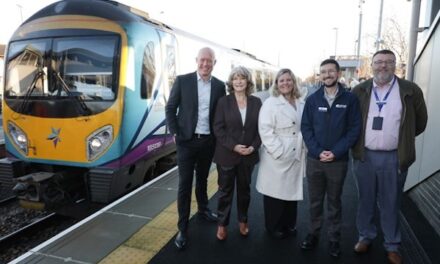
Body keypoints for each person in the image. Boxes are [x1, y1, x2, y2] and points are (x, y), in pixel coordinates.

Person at [351, 49, 428, 264]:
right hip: (364, 156)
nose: (383, 66)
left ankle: (392, 245)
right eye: (378, 62)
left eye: (388, 62)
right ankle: (365, 236)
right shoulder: (360, 90)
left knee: (391, 202)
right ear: (372, 65)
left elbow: (420, 121)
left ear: (395, 64)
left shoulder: (410, 90)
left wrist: (401, 140)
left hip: (394, 157)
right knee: (365, 200)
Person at [165, 47, 226, 250]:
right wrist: (175, 132)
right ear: (196, 60)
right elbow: (170, 108)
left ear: (214, 63)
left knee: (203, 179)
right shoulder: (183, 81)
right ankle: (183, 227)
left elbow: (220, 114)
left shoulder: (219, 86)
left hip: (207, 141)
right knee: (184, 185)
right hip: (186, 142)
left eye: (209, 61)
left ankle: (203, 210)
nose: (205, 64)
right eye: (202, 60)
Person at [300, 59, 361, 258]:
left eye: (330, 71)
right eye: (323, 72)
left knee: (334, 202)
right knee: (315, 202)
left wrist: (336, 151)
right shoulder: (312, 99)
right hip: (315, 160)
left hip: (338, 161)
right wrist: (318, 152)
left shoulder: (350, 99)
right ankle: (313, 234)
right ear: (320, 75)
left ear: (338, 73)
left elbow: (354, 129)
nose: (327, 75)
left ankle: (334, 240)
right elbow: (306, 128)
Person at [212, 66, 262, 240]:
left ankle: (243, 221)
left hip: (247, 156)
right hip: (227, 154)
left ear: (247, 81)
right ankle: (222, 224)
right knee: (225, 191)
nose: (239, 81)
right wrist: (234, 146)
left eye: (242, 78)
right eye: (235, 78)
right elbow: (218, 129)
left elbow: (260, 130)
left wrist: (253, 147)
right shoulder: (223, 102)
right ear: (231, 82)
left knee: (244, 191)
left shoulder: (256, 102)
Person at [256, 68, 306, 240]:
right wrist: (278, 151)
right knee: (274, 194)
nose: (285, 83)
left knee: (291, 193)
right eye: (281, 80)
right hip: (276, 155)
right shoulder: (270, 103)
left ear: (293, 82)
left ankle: (289, 223)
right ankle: (273, 226)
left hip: (296, 152)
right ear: (276, 84)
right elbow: (265, 130)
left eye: (288, 80)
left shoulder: (300, 101)